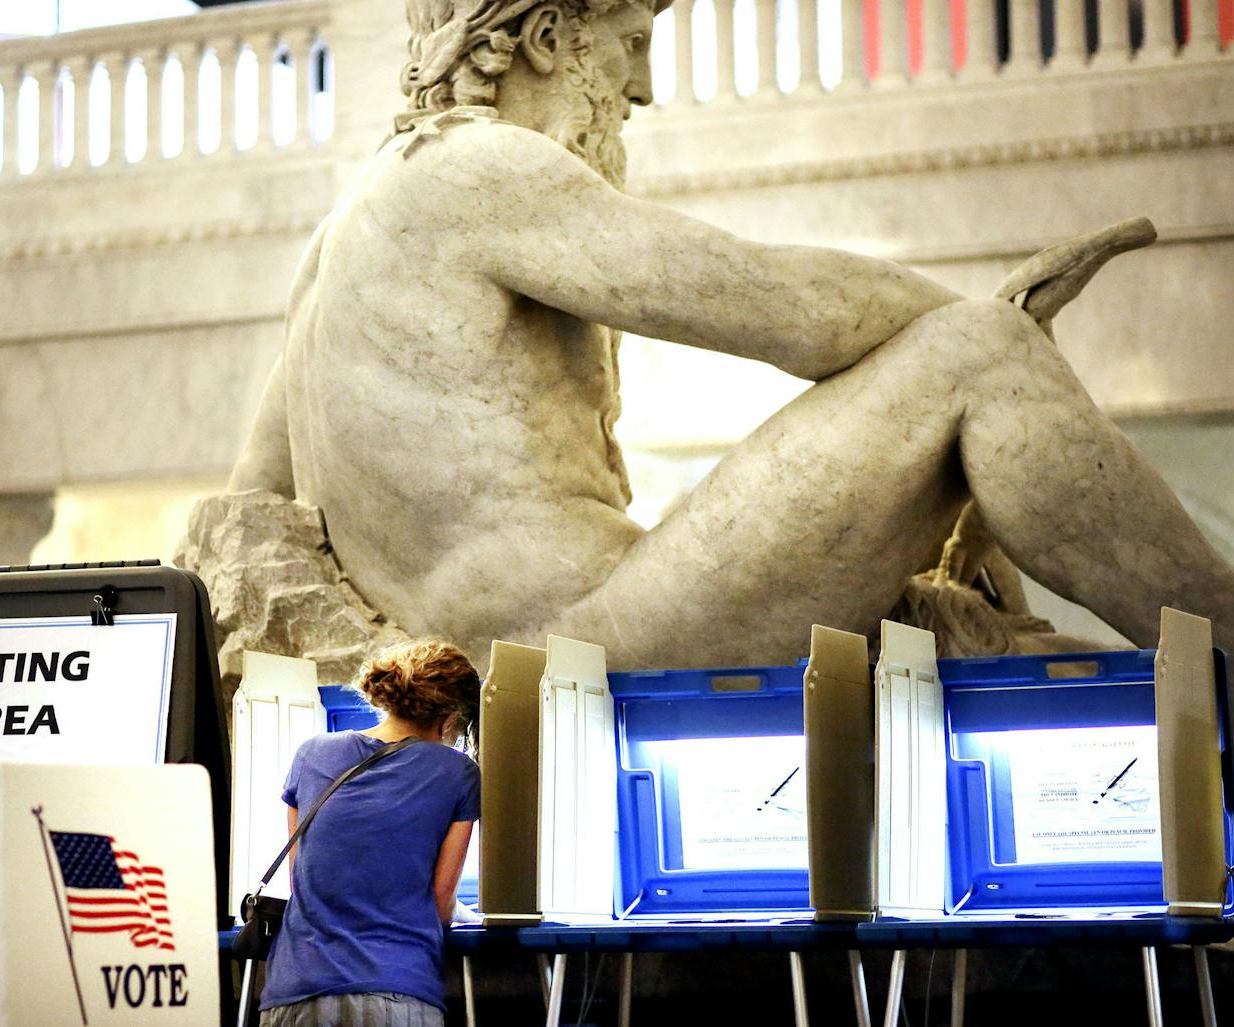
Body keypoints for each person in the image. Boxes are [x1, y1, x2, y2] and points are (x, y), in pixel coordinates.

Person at [228, 0, 1234, 669]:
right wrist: (993, 321)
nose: (643, 88)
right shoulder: (476, 169)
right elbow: (784, 308)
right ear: (544, 40)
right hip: (592, 639)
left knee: (981, 630)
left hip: (504, 656)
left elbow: (248, 511)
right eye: (628, 42)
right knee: (979, 358)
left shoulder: (338, 237)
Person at [260, 639, 482, 1027]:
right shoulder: (457, 772)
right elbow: (441, 904)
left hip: (296, 991)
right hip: (397, 990)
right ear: (449, 720)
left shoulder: (311, 754)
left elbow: (303, 882)